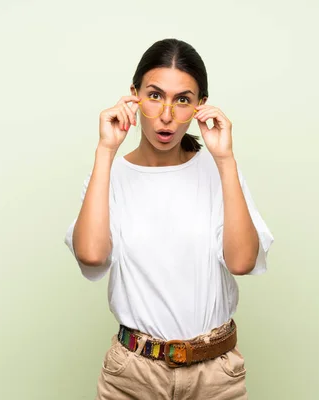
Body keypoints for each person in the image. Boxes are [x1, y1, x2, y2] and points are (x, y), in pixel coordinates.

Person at [64, 38, 273, 399]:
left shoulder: (219, 173)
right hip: (133, 374)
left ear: (199, 107)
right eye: (155, 95)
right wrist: (105, 150)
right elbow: (92, 255)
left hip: (215, 375)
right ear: (134, 96)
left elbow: (242, 261)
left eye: (182, 100)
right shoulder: (109, 177)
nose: (166, 115)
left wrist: (225, 160)